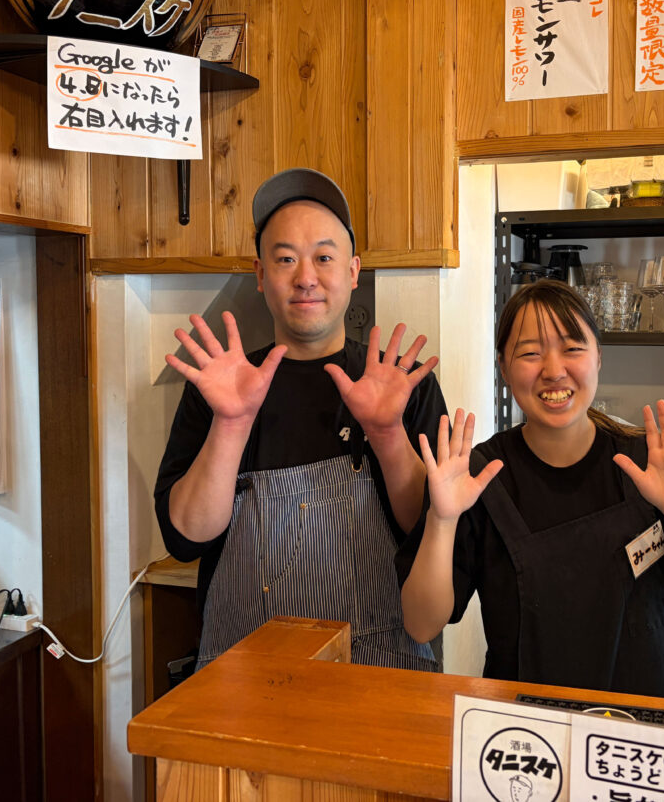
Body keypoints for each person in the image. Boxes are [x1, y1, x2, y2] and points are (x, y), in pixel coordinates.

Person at [397, 279, 664, 699]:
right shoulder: (477, 477)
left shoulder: (650, 462)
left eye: (572, 348)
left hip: (644, 739)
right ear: (503, 367)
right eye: (530, 353)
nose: (553, 370)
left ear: (599, 358)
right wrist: (442, 519)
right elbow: (421, 624)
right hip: (530, 740)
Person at [154, 167, 446, 672]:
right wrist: (230, 423)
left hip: (378, 676)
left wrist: (386, 434)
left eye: (324, 258)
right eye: (285, 258)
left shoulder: (399, 383)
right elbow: (185, 539)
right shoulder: (223, 386)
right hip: (243, 677)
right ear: (261, 274)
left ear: (353, 272)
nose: (306, 276)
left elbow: (431, 533)